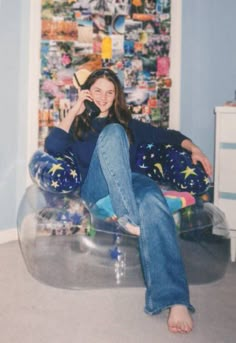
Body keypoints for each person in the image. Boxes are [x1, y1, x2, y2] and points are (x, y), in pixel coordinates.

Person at [45, 68, 212, 334]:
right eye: (97, 90)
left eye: (109, 93)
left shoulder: (128, 124)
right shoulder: (78, 125)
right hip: (98, 189)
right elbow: (52, 147)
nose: (103, 97)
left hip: (133, 182)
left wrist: (196, 149)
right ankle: (129, 217)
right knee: (112, 133)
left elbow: (168, 135)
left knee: (153, 201)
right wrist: (76, 107)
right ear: (88, 92)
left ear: (116, 97)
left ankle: (175, 299)